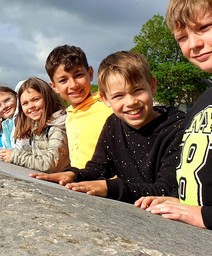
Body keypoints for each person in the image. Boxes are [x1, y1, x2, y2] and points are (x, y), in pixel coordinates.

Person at [31, 51, 186, 204]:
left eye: (137, 90)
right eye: (118, 96)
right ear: (105, 98)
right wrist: (74, 174)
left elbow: (167, 190)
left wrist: (110, 187)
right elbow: (98, 168)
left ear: (152, 85)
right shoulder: (113, 123)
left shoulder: (177, 128)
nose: (131, 102)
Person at [134, 0, 212, 229]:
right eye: (182, 37)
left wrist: (205, 216)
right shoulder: (203, 101)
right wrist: (182, 201)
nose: (194, 44)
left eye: (204, 27)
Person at [45, 45, 113, 169]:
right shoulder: (69, 114)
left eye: (78, 75)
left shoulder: (108, 106)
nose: (73, 85)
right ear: (54, 86)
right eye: (63, 80)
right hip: (81, 183)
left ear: (90, 73)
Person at [0, 77, 69, 173]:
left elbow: (50, 164)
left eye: (35, 99)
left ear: (48, 97)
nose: (31, 106)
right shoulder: (37, 126)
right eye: (25, 103)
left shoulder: (57, 126)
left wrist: (14, 156)